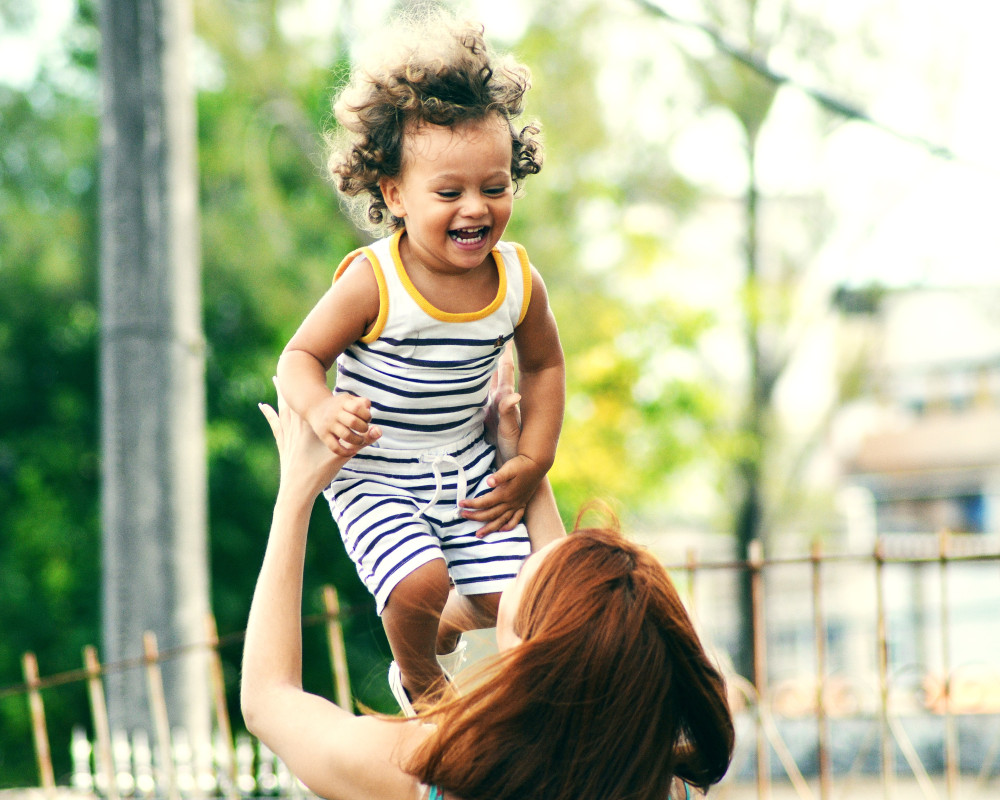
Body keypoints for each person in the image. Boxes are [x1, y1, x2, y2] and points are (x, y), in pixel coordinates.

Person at [243, 370, 735, 800]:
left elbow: (269, 700)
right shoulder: (663, 785)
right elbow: (571, 622)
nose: (522, 560)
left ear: (528, 655)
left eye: (522, 574)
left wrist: (295, 495)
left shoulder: (426, 773)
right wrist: (519, 462)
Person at [276, 11, 565, 711]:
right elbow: (298, 357)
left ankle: (446, 623)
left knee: (514, 601)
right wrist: (322, 408)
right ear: (394, 195)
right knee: (417, 583)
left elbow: (547, 368)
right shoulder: (375, 282)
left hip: (465, 462)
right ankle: (423, 685)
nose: (476, 208)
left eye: (494, 187)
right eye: (449, 193)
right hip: (377, 469)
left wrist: (532, 460)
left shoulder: (518, 280)